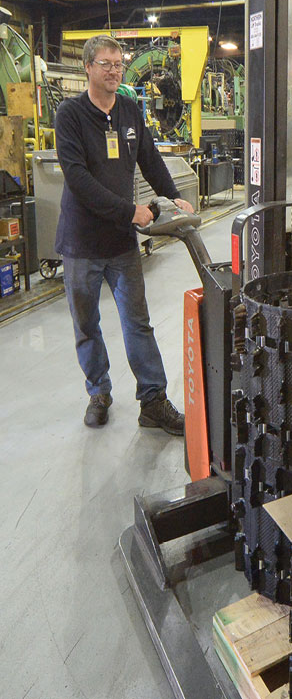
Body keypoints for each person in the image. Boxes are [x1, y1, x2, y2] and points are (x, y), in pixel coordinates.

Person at [55, 34, 194, 434]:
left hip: (121, 244)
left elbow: (149, 159)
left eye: (118, 64)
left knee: (138, 322)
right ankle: (99, 392)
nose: (115, 70)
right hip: (81, 243)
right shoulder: (70, 115)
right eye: (106, 64)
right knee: (87, 324)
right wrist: (130, 211)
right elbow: (78, 178)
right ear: (88, 68)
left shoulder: (131, 111)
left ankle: (153, 401)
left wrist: (173, 196)